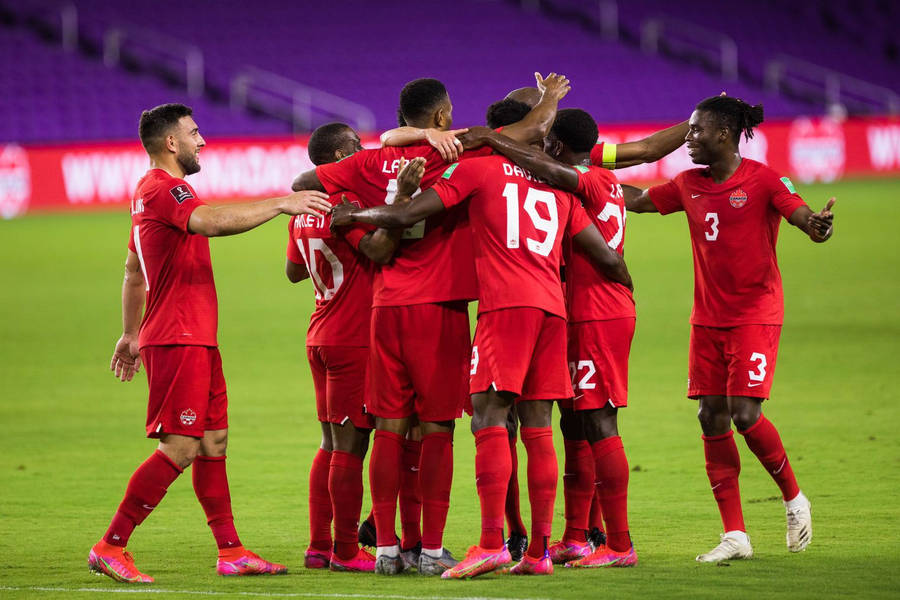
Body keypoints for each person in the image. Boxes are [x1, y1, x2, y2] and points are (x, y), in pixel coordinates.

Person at [292, 73, 572, 576]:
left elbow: (303, 181)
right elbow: (531, 132)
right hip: (442, 307)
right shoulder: (460, 155)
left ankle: (383, 549)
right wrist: (549, 98)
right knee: (438, 430)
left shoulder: (367, 161)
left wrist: (355, 206)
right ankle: (430, 549)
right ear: (443, 117)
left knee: (387, 430)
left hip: (384, 307)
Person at [330, 151, 632, 578]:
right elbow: (602, 249)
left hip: (484, 308)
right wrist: (625, 285)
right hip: (548, 309)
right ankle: (535, 553)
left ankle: (452, 544)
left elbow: (401, 215)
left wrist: (357, 214)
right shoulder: (557, 188)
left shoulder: (475, 168)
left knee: (442, 423)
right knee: (535, 426)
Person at [91, 103, 332, 584]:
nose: (202, 141)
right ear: (171, 143)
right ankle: (111, 545)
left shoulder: (147, 194)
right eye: (194, 133)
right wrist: (280, 203)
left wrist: (130, 332)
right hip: (179, 336)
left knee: (212, 441)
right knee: (180, 447)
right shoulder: (166, 188)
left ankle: (231, 551)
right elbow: (211, 222)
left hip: (191, 335)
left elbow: (133, 269)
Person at [626, 95, 834, 562]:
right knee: (710, 417)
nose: (688, 138)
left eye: (696, 131)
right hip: (707, 319)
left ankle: (794, 498)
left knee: (744, 413)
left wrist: (816, 225)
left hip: (755, 313)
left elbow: (801, 214)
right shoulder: (688, 184)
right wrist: (588, 183)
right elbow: (638, 201)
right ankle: (735, 535)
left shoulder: (762, 180)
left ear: (723, 134)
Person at [473, 107, 676, 568]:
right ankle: (577, 536)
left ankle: (619, 545)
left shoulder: (583, 179)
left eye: (547, 141)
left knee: (599, 424)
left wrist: (492, 139)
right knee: (577, 425)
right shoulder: (599, 177)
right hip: (581, 311)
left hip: (594, 314)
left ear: (558, 147)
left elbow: (602, 253)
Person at [287, 123, 405, 572]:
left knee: (330, 444)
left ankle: (319, 547)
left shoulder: (304, 207)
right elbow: (377, 251)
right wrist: (380, 215)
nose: (362, 151)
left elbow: (294, 272)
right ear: (339, 154)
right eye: (355, 146)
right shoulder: (343, 202)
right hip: (354, 337)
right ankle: (346, 550)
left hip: (320, 333)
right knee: (352, 449)